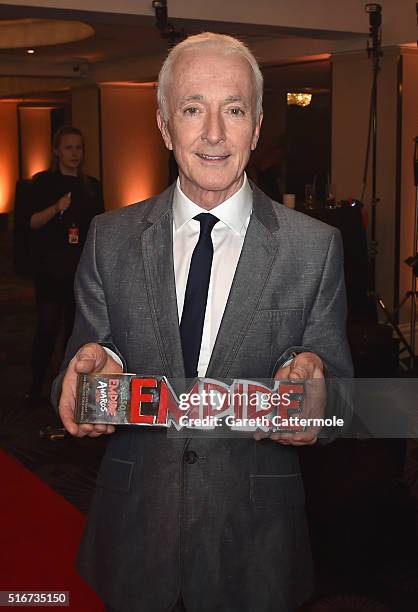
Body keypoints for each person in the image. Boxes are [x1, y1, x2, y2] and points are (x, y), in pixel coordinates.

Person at [52, 33, 352, 612]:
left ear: (257, 126)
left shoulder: (315, 248)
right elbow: (86, 357)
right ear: (165, 125)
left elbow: (340, 399)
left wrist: (320, 391)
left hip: (256, 543)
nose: (214, 133)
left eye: (233, 110)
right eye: (193, 109)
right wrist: (91, 365)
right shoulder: (109, 239)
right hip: (135, 534)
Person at [27, 125, 104, 403]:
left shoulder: (91, 186)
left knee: (77, 333)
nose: (75, 153)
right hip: (51, 268)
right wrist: (57, 208)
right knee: (47, 328)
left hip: (80, 271)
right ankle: (36, 386)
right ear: (57, 151)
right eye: (69, 147)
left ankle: (69, 390)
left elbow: (99, 227)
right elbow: (32, 222)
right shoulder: (43, 182)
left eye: (79, 148)